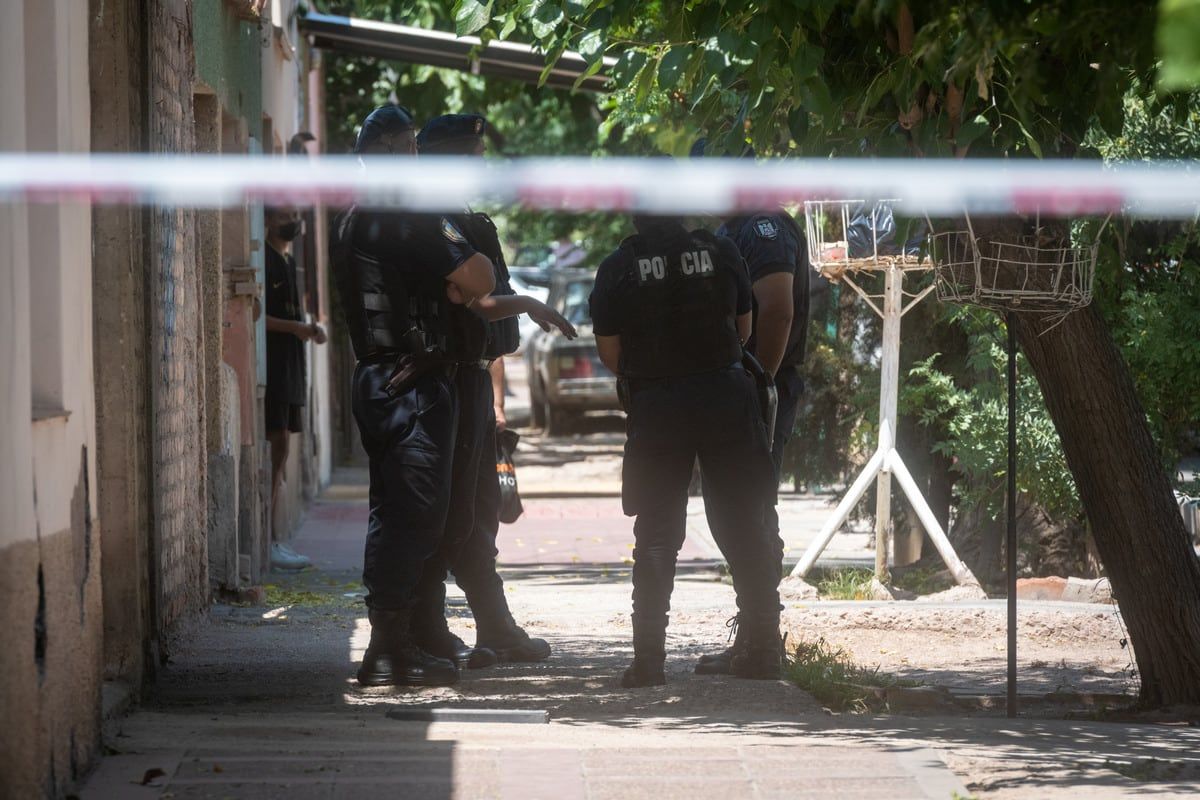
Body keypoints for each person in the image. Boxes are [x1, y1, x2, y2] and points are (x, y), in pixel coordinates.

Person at [331, 104, 499, 687]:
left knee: (398, 512)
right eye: (408, 148)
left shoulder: (354, 216)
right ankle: (390, 648)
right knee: (416, 515)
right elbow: (481, 278)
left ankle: (404, 639)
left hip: (381, 378)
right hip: (413, 383)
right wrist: (456, 280)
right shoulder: (410, 215)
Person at [589, 214, 784, 687]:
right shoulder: (721, 252)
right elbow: (743, 330)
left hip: (657, 407)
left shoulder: (618, 267)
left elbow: (612, 356)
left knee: (657, 533)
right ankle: (763, 649)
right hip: (726, 399)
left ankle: (648, 662)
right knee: (746, 526)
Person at [411, 113, 571, 667]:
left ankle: (487, 628)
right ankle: (433, 631)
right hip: (446, 380)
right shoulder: (431, 220)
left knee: (475, 509)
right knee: (455, 512)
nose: (482, 166)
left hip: (470, 377)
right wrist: (528, 302)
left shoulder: (457, 217)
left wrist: (497, 401)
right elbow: (476, 302)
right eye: (473, 156)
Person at [689, 137, 811, 676]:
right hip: (730, 389)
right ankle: (754, 635)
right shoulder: (731, 228)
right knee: (729, 511)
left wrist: (758, 383)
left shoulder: (763, 225)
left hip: (756, 390)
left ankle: (762, 642)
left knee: (748, 509)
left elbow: (778, 310)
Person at [263, 205, 326, 571]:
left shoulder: (289, 262)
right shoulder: (266, 260)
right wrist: (296, 329)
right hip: (275, 368)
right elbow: (261, 317)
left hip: (291, 366)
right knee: (277, 449)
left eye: (295, 215)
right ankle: (270, 540)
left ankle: (276, 539)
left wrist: (309, 329)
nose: (292, 223)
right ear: (269, 220)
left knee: (283, 450)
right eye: (284, 216)